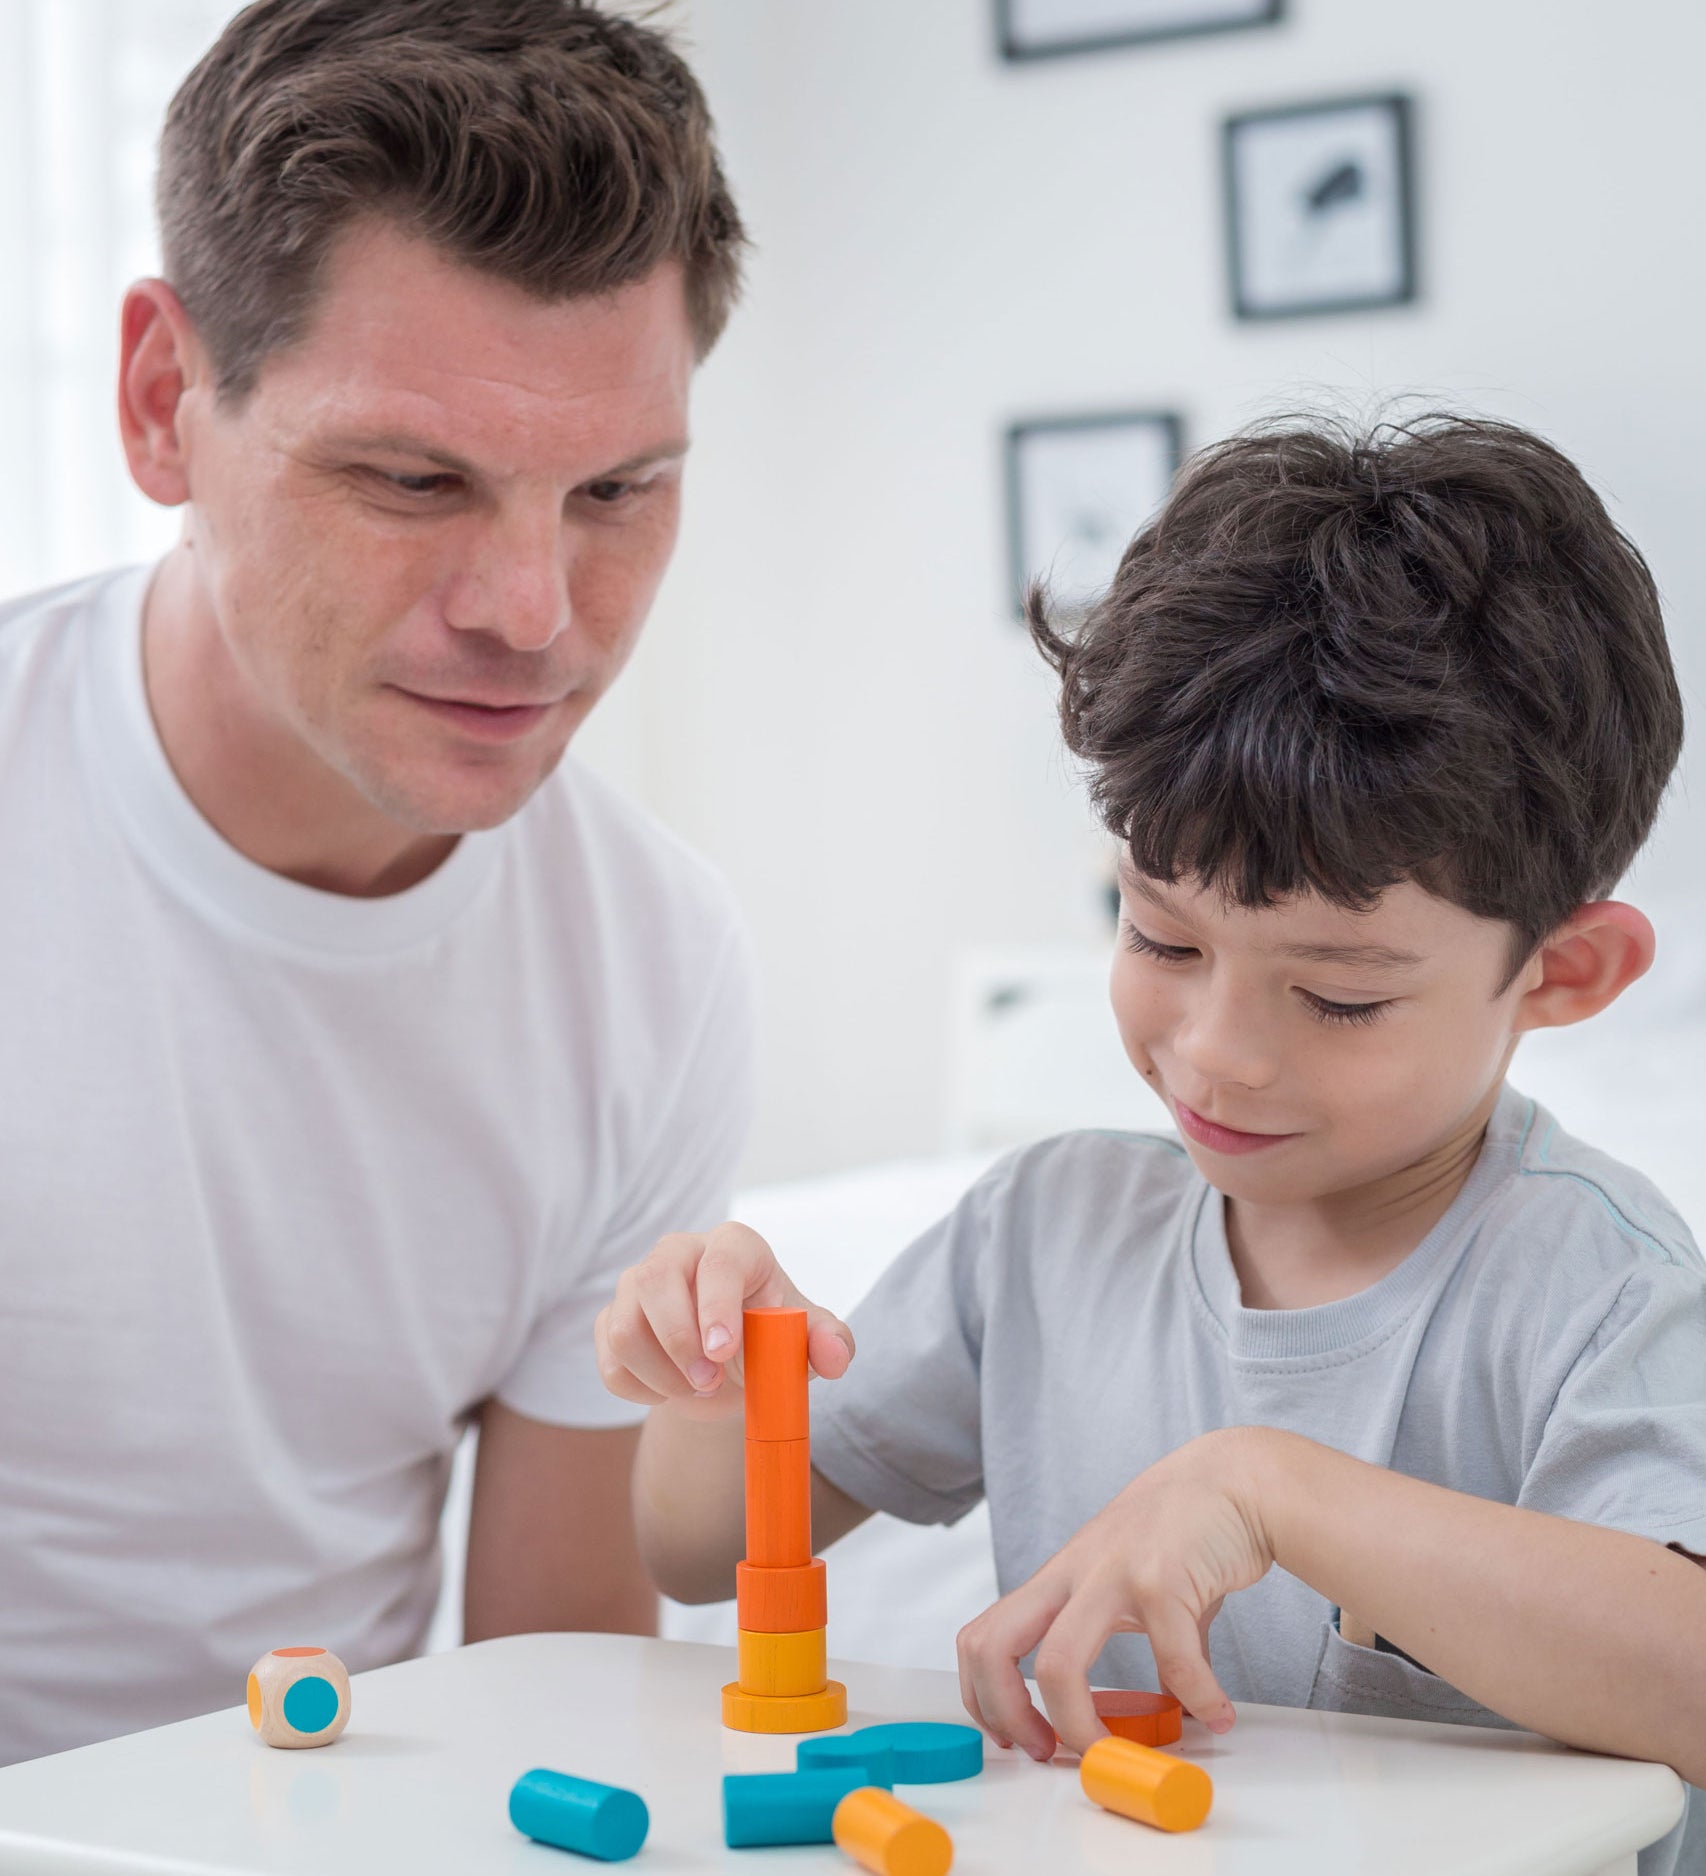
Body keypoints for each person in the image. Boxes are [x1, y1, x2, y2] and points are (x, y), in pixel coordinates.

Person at [599, 415, 1706, 1874]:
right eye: (1161, 935)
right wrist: (717, 1374)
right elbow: (694, 1549)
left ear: (1561, 975)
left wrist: (1272, 1489)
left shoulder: (1597, 1286)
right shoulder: (1044, 1235)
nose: (1216, 1051)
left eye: (1338, 994)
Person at [0, 0, 752, 1764]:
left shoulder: (650, 965)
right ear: (163, 404)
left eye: (618, 488)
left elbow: (546, 1708)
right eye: (413, 479)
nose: (532, 611)